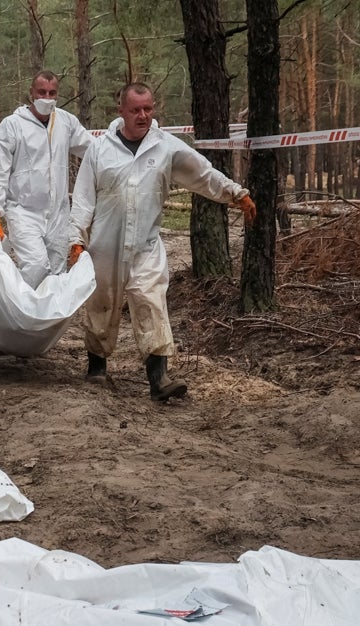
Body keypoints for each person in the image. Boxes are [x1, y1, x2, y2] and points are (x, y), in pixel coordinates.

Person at [69, 82, 256, 401]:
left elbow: (203, 174)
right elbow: (84, 198)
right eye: (135, 110)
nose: (143, 115)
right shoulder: (99, 149)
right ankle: (97, 368)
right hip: (104, 246)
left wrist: (235, 193)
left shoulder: (166, 147)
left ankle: (159, 378)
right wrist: (76, 240)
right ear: (121, 112)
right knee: (102, 304)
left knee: (151, 303)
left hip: (145, 246)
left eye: (148, 109)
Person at [0, 70, 93, 288]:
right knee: (36, 267)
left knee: (56, 274)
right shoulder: (13, 125)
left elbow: (93, 149)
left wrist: (119, 137)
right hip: (23, 211)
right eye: (41, 92)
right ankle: (23, 313)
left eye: (52, 93)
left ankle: (50, 321)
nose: (47, 97)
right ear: (31, 93)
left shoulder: (65, 122)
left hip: (57, 214)